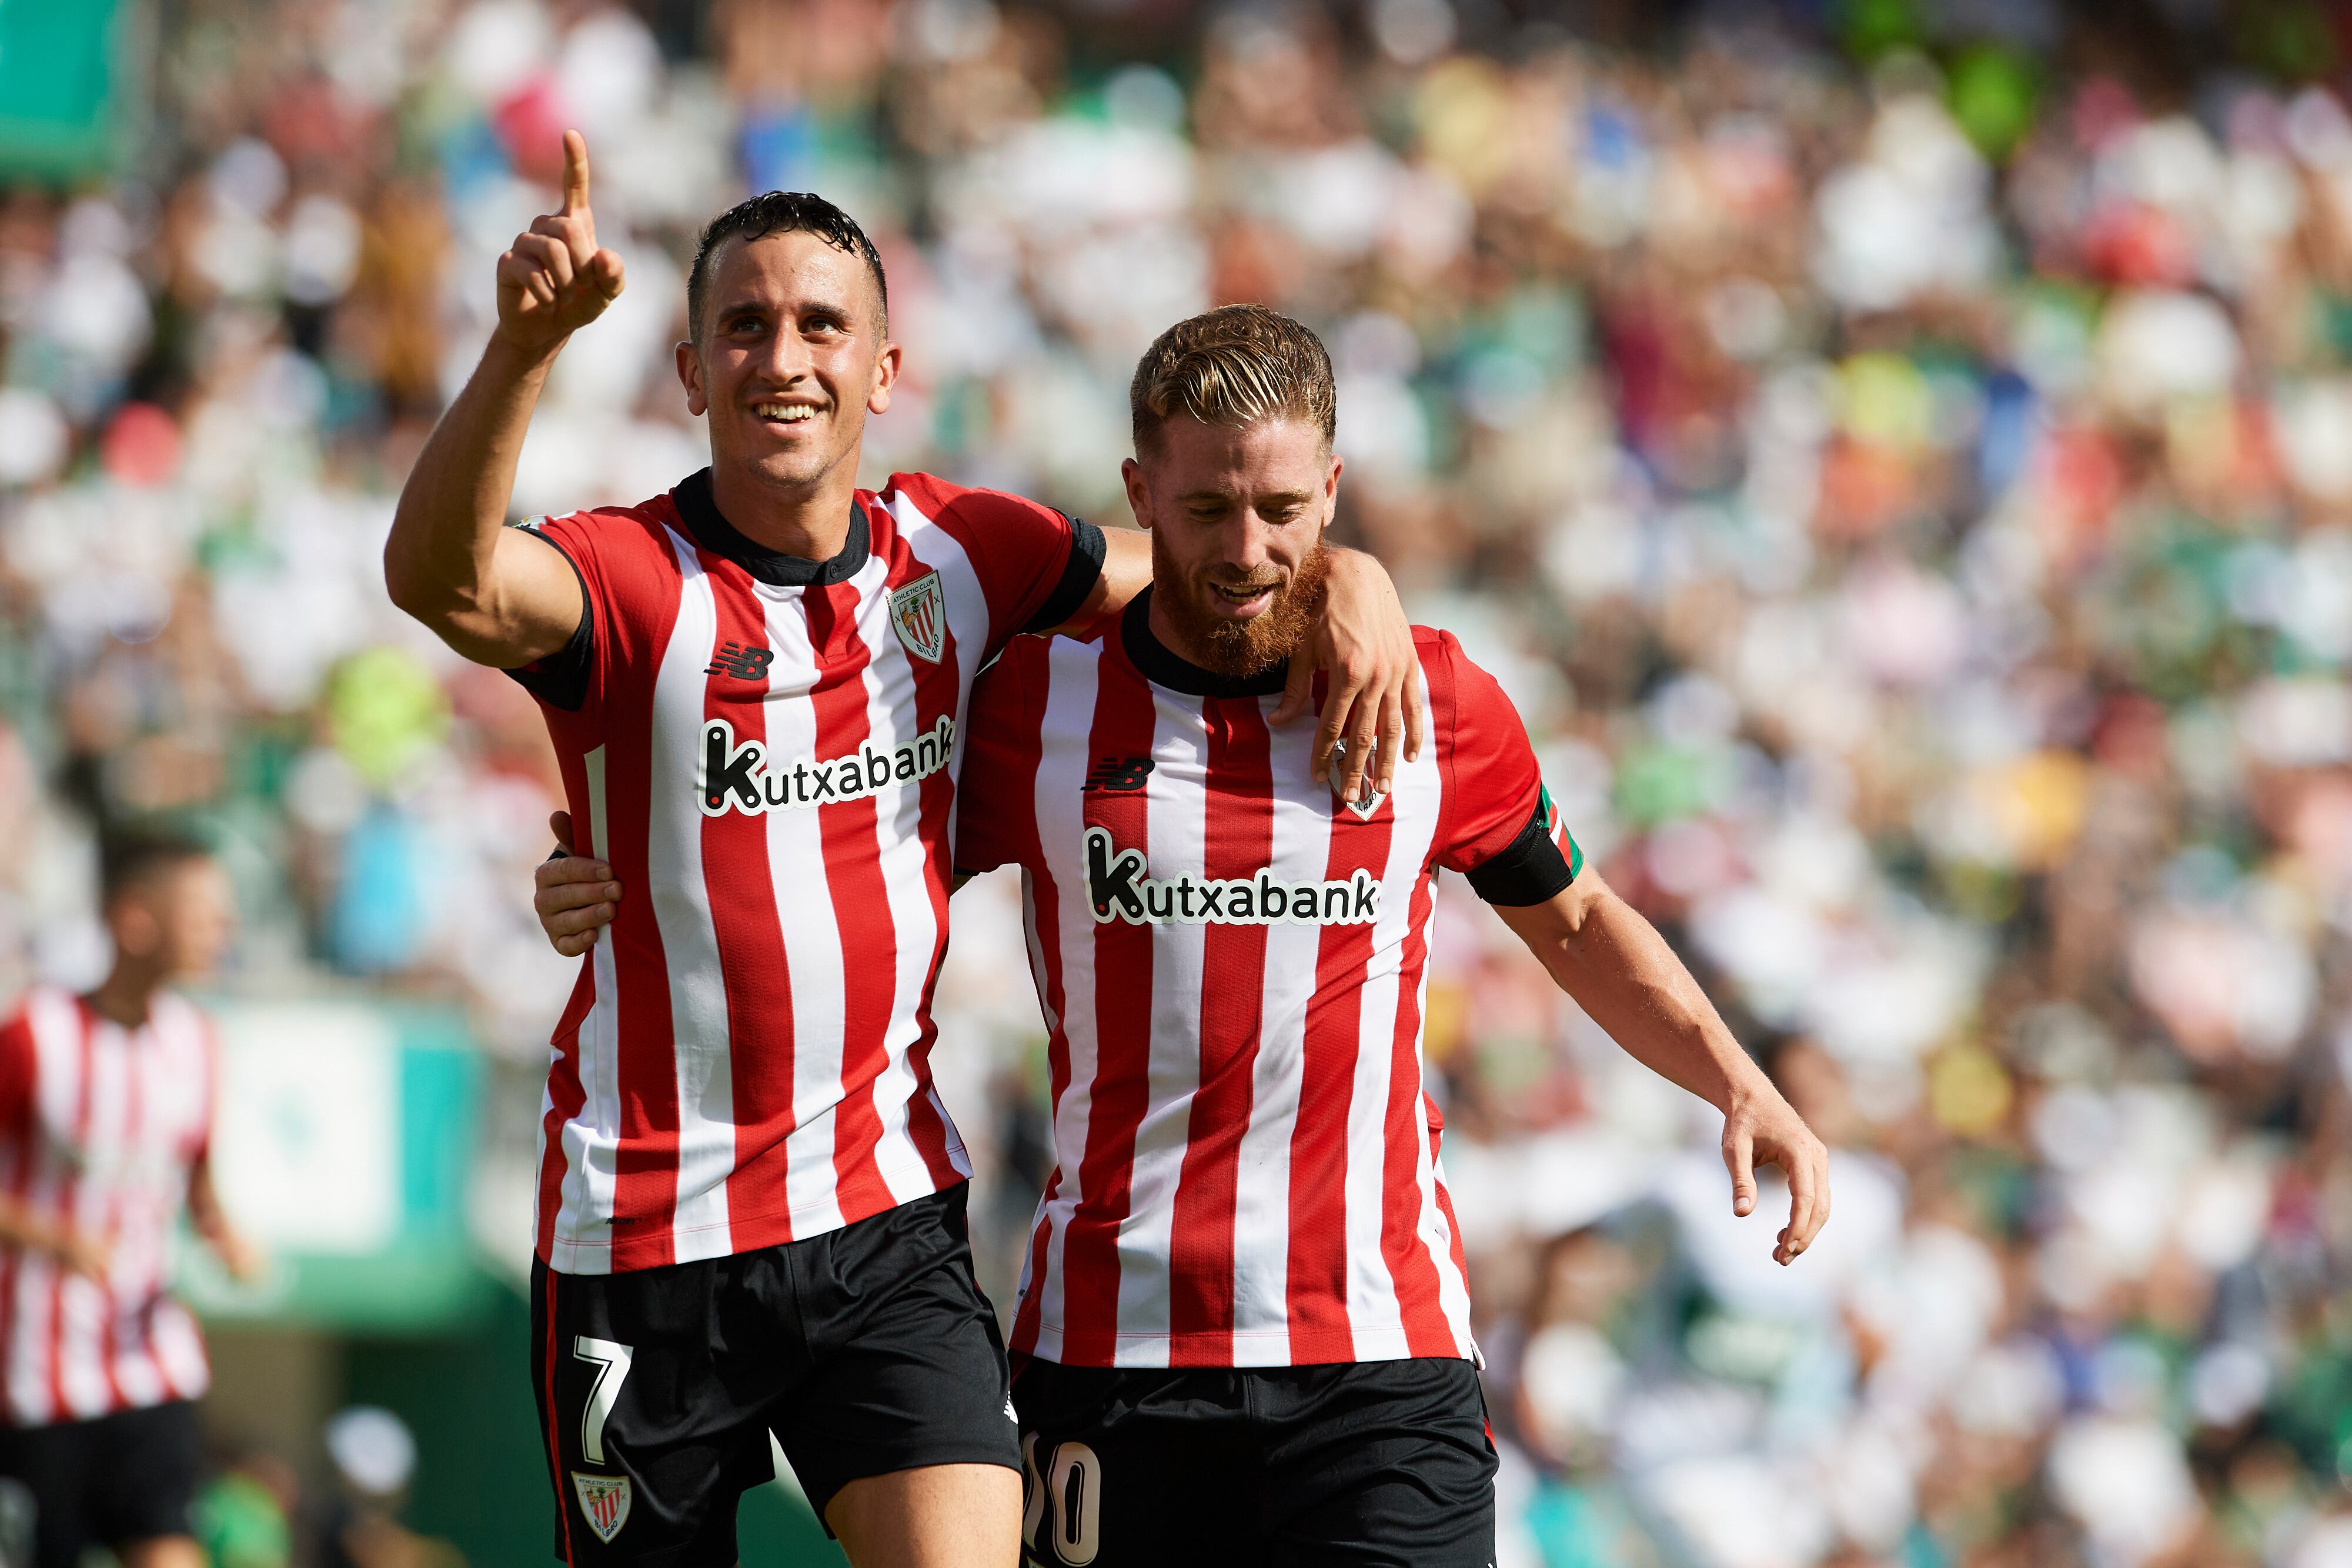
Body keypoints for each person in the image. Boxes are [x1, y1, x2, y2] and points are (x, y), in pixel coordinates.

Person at [535, 305, 1833, 1566]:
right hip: (1109, 1367)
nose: (1246, 548)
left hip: (1375, 1362)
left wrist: (1732, 1075)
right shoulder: (1029, 703)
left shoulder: (1432, 698)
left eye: (1280, 510)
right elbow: (809, 829)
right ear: (1137, 493)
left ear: (1331, 489)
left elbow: (1578, 916)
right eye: (1206, 508)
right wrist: (592, 866)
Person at [382, 131, 1422, 1568]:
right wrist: (521, 352)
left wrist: (1348, 576)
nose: (782, 357)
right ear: (689, 373)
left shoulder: (961, 551)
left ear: (883, 369)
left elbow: (1198, 573)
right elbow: (438, 578)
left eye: (822, 325)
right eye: (741, 326)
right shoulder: (628, 578)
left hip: (883, 1216)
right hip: (642, 1236)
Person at [0, 829, 262, 1568]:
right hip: (37, 1381)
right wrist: (54, 1238)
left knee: (172, 1551)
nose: (224, 929)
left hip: (152, 1362)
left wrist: (226, 1236)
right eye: (205, 912)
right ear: (135, 919)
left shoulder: (196, 1042)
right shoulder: (35, 1038)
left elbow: (200, 1189)